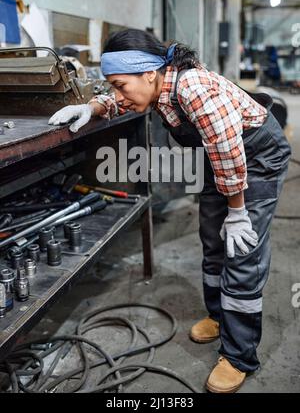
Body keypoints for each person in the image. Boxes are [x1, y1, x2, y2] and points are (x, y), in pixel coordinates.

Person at [49, 29, 291, 393]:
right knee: (213, 239)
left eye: (120, 85)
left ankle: (240, 355)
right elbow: (125, 100)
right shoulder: (157, 82)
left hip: (255, 157)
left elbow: (228, 151)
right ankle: (219, 316)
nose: (118, 95)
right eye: (113, 86)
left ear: (148, 73)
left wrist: (238, 212)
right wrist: (93, 106)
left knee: (242, 249)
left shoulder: (193, 89)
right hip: (218, 160)